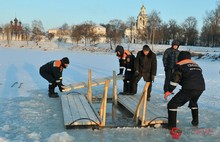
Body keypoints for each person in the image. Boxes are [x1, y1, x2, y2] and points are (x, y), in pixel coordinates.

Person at [164, 51, 205, 129]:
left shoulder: (180, 65)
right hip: (201, 87)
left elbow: (174, 80)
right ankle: (195, 122)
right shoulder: (196, 65)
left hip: (189, 88)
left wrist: (169, 90)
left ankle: (172, 126)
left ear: (180, 58)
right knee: (193, 102)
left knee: (172, 104)